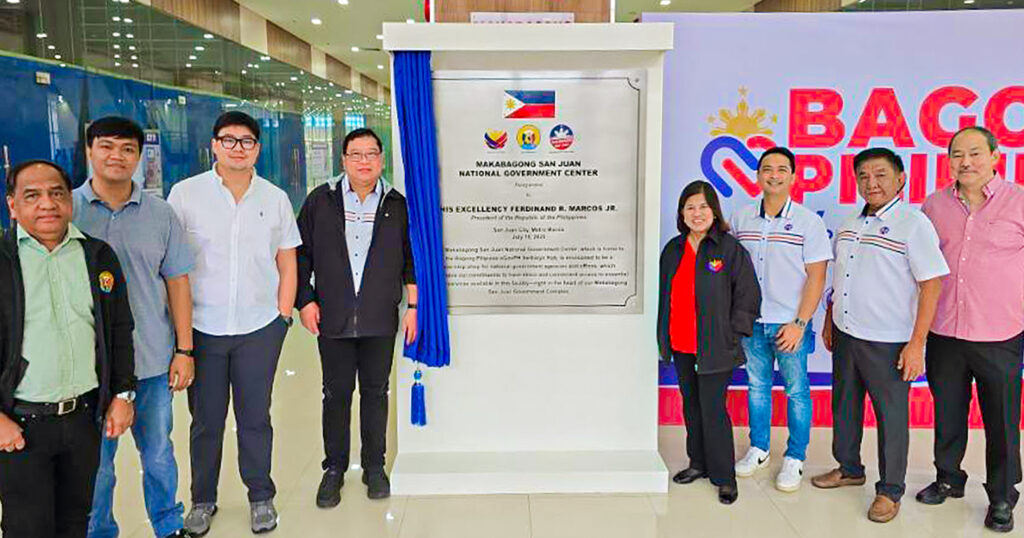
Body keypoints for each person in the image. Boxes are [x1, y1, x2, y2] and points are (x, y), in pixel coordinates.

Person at [168, 111, 301, 535]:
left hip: (259, 327)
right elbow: (173, 267)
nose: (238, 148)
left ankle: (261, 496)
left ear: (257, 148)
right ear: (214, 145)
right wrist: (181, 336)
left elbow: (287, 259)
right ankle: (202, 499)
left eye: (247, 141)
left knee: (255, 417)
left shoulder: (274, 197)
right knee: (206, 420)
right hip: (203, 328)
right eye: (229, 140)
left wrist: (282, 316)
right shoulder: (185, 195)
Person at [73, 117, 196, 538]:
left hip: (150, 359)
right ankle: (99, 531)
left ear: (138, 157)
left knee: (158, 452)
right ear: (89, 150)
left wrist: (185, 349)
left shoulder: (160, 214)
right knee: (97, 464)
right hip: (86, 368)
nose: (116, 156)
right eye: (106, 146)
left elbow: (177, 282)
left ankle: (168, 524)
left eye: (127, 149)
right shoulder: (66, 210)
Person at [0, 159, 136, 537]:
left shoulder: (97, 256)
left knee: (76, 522)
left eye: (57, 193)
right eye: (33, 195)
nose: (47, 204)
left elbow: (120, 330)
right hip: (19, 427)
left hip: (83, 418)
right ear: (12, 205)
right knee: (28, 527)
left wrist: (123, 394)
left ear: (70, 200)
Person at [812, 147, 948, 523]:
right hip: (846, 332)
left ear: (900, 178)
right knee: (845, 406)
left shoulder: (913, 223)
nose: (871, 183)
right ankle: (850, 468)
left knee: (890, 417)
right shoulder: (849, 223)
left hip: (888, 340)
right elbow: (841, 276)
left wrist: (917, 343)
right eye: (863, 177)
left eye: (880, 175)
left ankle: (890, 490)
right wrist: (829, 319)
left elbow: (932, 285)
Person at [297, 128, 417, 506]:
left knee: (376, 393)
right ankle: (334, 469)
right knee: (335, 395)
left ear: (381, 159)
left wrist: (413, 307)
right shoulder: (321, 200)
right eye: (356, 154)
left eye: (371, 154)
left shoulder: (397, 204)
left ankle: (374, 466)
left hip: (379, 318)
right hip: (332, 317)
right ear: (344, 160)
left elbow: (412, 260)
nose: (364, 161)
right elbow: (300, 255)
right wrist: (305, 300)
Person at [917, 126, 1024, 533]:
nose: (966, 162)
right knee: (947, 413)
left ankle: (1002, 496)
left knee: (1001, 420)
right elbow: (922, 264)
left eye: (976, 153)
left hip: (1000, 333)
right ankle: (948, 478)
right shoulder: (935, 205)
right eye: (957, 155)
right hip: (945, 331)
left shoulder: (1018, 202)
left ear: (996, 156)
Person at [730, 147, 831, 492]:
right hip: (752, 323)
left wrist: (800, 323)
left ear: (793, 176)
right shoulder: (742, 217)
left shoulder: (808, 222)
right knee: (757, 388)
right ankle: (759, 448)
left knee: (796, 391)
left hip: (790, 325)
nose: (774, 175)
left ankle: (795, 457)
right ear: (757, 176)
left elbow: (817, 276)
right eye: (767, 169)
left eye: (782, 169)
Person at [657, 180, 760, 505]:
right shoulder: (673, 249)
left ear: (714, 211)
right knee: (692, 406)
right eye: (690, 207)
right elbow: (664, 296)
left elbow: (748, 296)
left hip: (716, 346)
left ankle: (724, 477)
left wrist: (733, 335)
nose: (697, 213)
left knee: (714, 409)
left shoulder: (728, 249)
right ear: (682, 213)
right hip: (682, 344)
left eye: (703, 207)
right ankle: (697, 463)